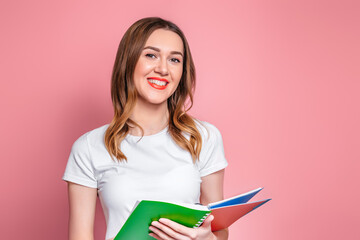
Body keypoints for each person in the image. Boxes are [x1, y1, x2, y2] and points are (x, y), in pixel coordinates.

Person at [62, 17, 229, 240]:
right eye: (151, 55)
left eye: (174, 60)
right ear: (128, 61)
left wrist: (207, 239)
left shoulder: (204, 138)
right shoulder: (89, 147)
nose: (162, 69)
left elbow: (219, 230)